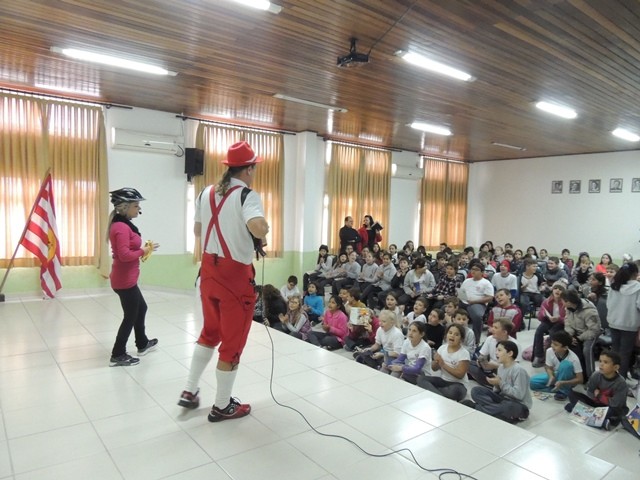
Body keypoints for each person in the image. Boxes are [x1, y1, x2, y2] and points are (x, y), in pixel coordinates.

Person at [178, 141, 269, 422]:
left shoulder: (205, 193)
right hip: (235, 277)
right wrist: (263, 230)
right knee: (232, 343)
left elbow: (197, 230)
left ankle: (190, 390)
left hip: (208, 272)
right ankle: (222, 405)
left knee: (210, 332)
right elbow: (258, 227)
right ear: (249, 169)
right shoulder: (247, 196)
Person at [107, 188, 159, 367]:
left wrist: (145, 249)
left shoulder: (123, 224)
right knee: (130, 316)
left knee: (141, 308)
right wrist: (143, 250)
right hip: (124, 280)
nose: (139, 209)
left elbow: (128, 251)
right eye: (136, 205)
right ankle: (117, 354)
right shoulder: (121, 227)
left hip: (127, 278)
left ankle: (142, 343)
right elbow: (124, 255)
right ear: (124, 207)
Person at [468, 341, 532, 424]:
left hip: (518, 405)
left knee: (508, 407)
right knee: (476, 391)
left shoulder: (518, 370)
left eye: (499, 350)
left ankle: (478, 408)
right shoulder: (501, 368)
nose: (496, 353)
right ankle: (496, 412)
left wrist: (501, 383)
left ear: (510, 353)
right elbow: (498, 392)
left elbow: (519, 395)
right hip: (503, 400)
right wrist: (496, 385)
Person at [563, 350, 629, 430]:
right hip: (596, 404)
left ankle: (580, 412)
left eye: (605, 362)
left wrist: (599, 395)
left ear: (616, 367)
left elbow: (616, 404)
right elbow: (590, 392)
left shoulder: (621, 383)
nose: (601, 364)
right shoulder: (596, 375)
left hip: (610, 407)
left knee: (614, 411)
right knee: (572, 394)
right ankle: (600, 420)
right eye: (600, 361)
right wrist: (595, 398)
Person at [417, 323, 470, 401]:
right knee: (421, 379)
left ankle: (434, 392)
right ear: (446, 335)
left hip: (458, 384)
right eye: (450, 333)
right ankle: (439, 395)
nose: (452, 336)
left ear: (461, 339)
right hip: (443, 381)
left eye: (456, 334)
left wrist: (443, 364)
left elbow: (460, 375)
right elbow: (434, 368)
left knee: (454, 392)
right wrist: (436, 362)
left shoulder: (464, 353)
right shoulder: (442, 348)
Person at [606, 262, 640, 380]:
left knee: (615, 352)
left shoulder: (615, 285)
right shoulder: (638, 287)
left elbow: (608, 304)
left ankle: (611, 378)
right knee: (625, 354)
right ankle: (620, 380)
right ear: (635, 273)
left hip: (613, 322)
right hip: (629, 325)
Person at [530, 330, 584, 401]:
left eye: (556, 345)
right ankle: (557, 389)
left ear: (565, 347)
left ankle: (563, 391)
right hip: (557, 374)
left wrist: (563, 382)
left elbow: (580, 379)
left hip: (568, 378)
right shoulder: (549, 351)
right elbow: (548, 367)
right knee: (532, 382)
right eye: (552, 343)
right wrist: (551, 376)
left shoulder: (573, 358)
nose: (552, 346)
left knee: (566, 365)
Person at [561, 288, 601, 378]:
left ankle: (591, 377)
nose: (562, 304)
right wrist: (570, 336)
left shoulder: (589, 310)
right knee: (562, 342)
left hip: (589, 333)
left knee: (587, 350)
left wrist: (579, 338)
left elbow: (594, 330)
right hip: (576, 332)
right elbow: (567, 322)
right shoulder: (569, 308)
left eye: (563, 301)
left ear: (568, 302)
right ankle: (574, 373)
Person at [469, 318, 517, 387]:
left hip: (503, 371)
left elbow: (515, 369)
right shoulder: (490, 339)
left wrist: (496, 366)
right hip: (489, 368)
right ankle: (488, 381)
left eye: (496, 328)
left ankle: (492, 383)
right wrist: (480, 362)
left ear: (504, 332)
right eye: (492, 327)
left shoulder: (514, 344)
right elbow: (482, 356)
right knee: (467, 362)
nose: (492, 329)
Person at [532, 281, 567, 368]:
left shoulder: (565, 302)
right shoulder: (547, 301)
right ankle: (539, 356)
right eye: (555, 288)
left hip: (561, 323)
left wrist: (558, 318)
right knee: (539, 330)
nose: (557, 290)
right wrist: (544, 314)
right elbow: (540, 318)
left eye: (560, 289)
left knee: (553, 332)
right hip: (549, 321)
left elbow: (568, 319)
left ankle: (552, 356)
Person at [458, 263, 494, 342]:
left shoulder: (486, 283)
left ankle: (476, 340)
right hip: (464, 301)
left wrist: (474, 301)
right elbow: (461, 292)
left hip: (478, 303)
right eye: (472, 269)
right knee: (448, 308)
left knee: (477, 316)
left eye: (476, 270)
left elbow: (490, 298)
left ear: (482, 272)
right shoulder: (467, 281)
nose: (473, 271)